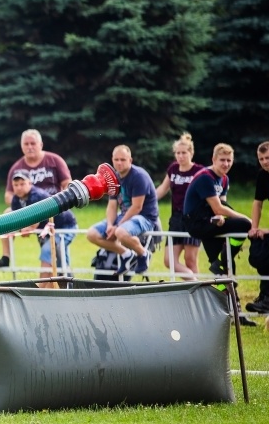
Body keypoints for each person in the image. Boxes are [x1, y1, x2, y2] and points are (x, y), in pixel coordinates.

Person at [183, 143, 254, 326]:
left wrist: (221, 216)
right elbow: (218, 207)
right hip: (197, 223)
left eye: (229, 160)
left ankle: (234, 312)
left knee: (225, 269)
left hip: (212, 221)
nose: (226, 164)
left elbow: (223, 206)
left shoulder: (224, 179)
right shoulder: (206, 178)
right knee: (244, 224)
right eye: (222, 160)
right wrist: (246, 219)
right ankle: (220, 265)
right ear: (213, 160)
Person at [0, 129, 71, 268]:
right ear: (22, 147)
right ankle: (5, 257)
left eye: (33, 143)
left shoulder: (54, 160)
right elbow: (8, 195)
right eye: (26, 144)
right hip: (28, 208)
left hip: (52, 209)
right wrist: (23, 205)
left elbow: (68, 184)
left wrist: (61, 201)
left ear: (41, 144)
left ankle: (65, 280)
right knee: (7, 213)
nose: (30, 147)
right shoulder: (17, 167)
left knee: (56, 255)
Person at [87, 145, 158, 275]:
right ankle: (126, 254)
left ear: (130, 160)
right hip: (125, 216)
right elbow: (112, 205)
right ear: (112, 160)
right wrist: (109, 225)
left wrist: (117, 226)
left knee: (120, 232)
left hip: (145, 216)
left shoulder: (139, 176)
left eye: (123, 160)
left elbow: (137, 207)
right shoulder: (114, 178)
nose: (119, 163)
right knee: (92, 234)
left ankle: (143, 254)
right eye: (116, 159)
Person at [9, 169, 77, 283]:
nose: (19, 187)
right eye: (16, 185)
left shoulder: (37, 195)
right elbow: (17, 218)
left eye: (22, 184)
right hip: (47, 230)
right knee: (60, 260)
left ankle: (41, 287)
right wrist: (21, 229)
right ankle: (68, 285)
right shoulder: (16, 200)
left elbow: (36, 218)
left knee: (47, 251)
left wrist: (28, 229)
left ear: (30, 183)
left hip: (65, 226)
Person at [155, 133, 204, 280]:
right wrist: (148, 201)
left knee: (190, 260)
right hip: (176, 219)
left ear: (191, 153)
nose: (181, 156)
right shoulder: (173, 169)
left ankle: (197, 294)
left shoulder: (199, 171)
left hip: (193, 218)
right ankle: (192, 281)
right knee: (169, 260)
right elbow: (163, 189)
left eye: (184, 153)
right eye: (178, 153)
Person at [247, 141, 269, 314]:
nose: (265, 161)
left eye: (268, 157)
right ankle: (265, 298)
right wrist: (254, 228)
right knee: (260, 256)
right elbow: (257, 204)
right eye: (261, 159)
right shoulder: (263, 176)